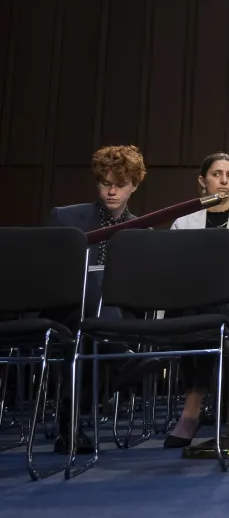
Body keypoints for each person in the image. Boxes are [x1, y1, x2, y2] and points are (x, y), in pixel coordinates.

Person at [44, 145, 148, 455]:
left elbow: (139, 286)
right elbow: (48, 271)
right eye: (105, 183)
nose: (112, 190)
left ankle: (70, 423)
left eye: (120, 184)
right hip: (66, 307)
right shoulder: (66, 218)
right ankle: (124, 360)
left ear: (134, 186)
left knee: (90, 327)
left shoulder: (140, 228)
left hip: (110, 317)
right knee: (90, 305)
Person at [165, 152, 229, 448]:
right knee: (195, 307)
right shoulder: (183, 224)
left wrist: (226, 290)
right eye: (216, 174)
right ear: (202, 181)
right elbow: (171, 277)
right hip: (189, 306)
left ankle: (191, 411)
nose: (223, 181)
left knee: (209, 308)